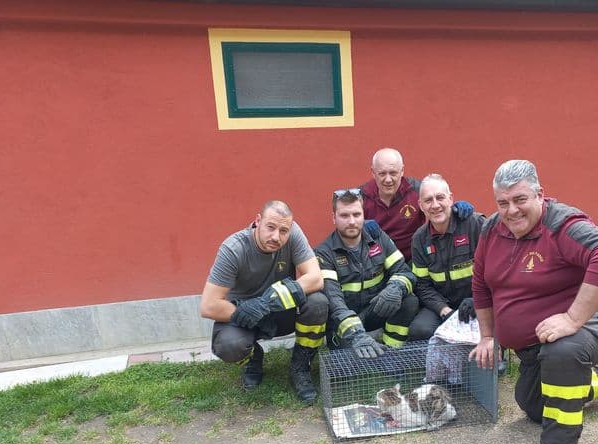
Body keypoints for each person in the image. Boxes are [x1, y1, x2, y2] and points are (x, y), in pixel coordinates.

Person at [469, 160, 598, 444]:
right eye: (503, 202)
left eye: (520, 199)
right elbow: (480, 283)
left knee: (563, 354)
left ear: (539, 194)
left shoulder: (564, 225)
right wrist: (488, 336)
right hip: (535, 344)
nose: (511, 210)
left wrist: (573, 317)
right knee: (536, 407)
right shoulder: (492, 229)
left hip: (594, 320)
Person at [199, 200, 328, 404]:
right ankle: (253, 359)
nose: (276, 236)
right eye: (270, 227)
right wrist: (247, 311)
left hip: (279, 311)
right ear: (258, 221)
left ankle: (300, 366)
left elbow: (316, 278)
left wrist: (267, 303)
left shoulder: (293, 232)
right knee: (229, 345)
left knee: (318, 302)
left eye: (283, 230)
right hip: (244, 317)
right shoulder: (233, 248)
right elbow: (208, 306)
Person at [315, 188, 419, 358]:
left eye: (357, 215)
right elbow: (334, 300)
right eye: (344, 216)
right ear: (333, 218)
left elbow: (404, 271)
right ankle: (351, 346)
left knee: (409, 300)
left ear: (364, 215)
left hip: (374, 310)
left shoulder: (378, 238)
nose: (351, 221)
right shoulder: (323, 253)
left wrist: (396, 287)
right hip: (344, 321)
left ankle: (392, 353)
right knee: (347, 372)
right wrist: (356, 333)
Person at [359, 148, 474, 261]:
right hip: (376, 262)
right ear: (373, 172)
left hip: (412, 260)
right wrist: (361, 225)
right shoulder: (361, 196)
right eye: (382, 173)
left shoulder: (417, 191)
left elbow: (439, 207)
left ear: (402, 171)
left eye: (393, 173)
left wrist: (455, 209)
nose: (388, 179)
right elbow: (343, 221)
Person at [408, 173, 485, 341]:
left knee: (480, 332)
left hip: (477, 300)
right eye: (428, 200)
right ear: (421, 205)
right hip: (443, 304)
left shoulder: (475, 224)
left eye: (440, 198)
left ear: (450, 199)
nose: (435, 205)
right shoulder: (419, 240)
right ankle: (434, 367)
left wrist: (478, 300)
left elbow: (496, 270)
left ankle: (491, 361)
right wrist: (445, 311)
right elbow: (422, 285)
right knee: (419, 330)